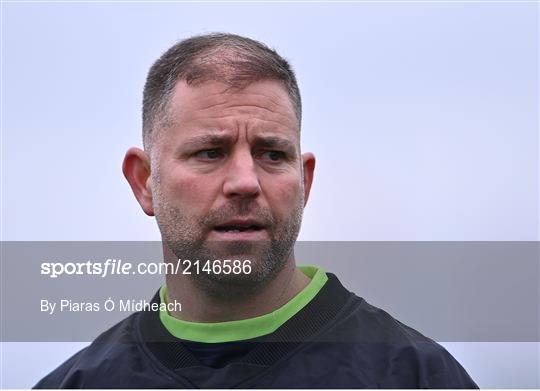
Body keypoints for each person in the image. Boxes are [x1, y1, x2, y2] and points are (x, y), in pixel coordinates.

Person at [34, 33, 478, 389]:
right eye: (210, 152)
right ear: (144, 181)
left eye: (271, 154)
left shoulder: (415, 377)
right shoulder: (79, 384)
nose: (245, 181)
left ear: (304, 182)